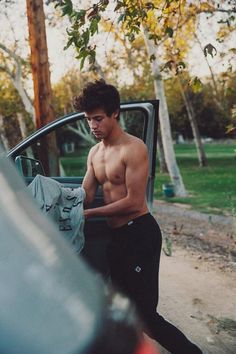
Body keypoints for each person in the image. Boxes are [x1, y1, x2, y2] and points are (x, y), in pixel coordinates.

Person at [74, 79, 202, 354]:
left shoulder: (134, 149)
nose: (93, 126)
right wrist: (54, 198)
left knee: (146, 318)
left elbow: (133, 202)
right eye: (88, 120)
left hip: (139, 234)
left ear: (115, 113)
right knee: (120, 311)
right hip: (116, 237)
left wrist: (89, 213)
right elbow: (84, 194)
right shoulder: (94, 153)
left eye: (98, 119)